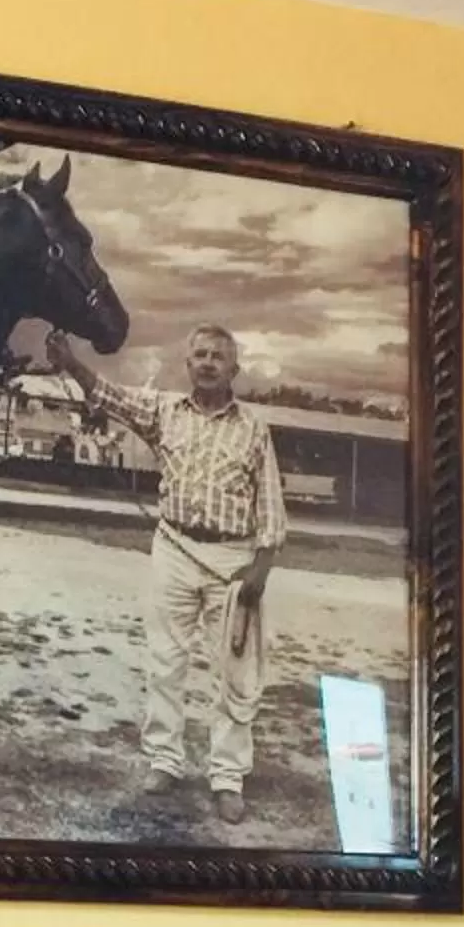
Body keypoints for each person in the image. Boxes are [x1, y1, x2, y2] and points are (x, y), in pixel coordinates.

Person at [44, 320, 287, 823]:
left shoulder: (253, 429)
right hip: (174, 547)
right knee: (165, 661)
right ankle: (165, 759)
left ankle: (227, 776)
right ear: (188, 363)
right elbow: (108, 395)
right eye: (199, 354)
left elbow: (271, 506)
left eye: (218, 356)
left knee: (235, 674)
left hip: (232, 560)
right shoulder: (164, 413)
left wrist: (259, 569)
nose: (207, 363)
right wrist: (69, 362)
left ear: (234, 369)